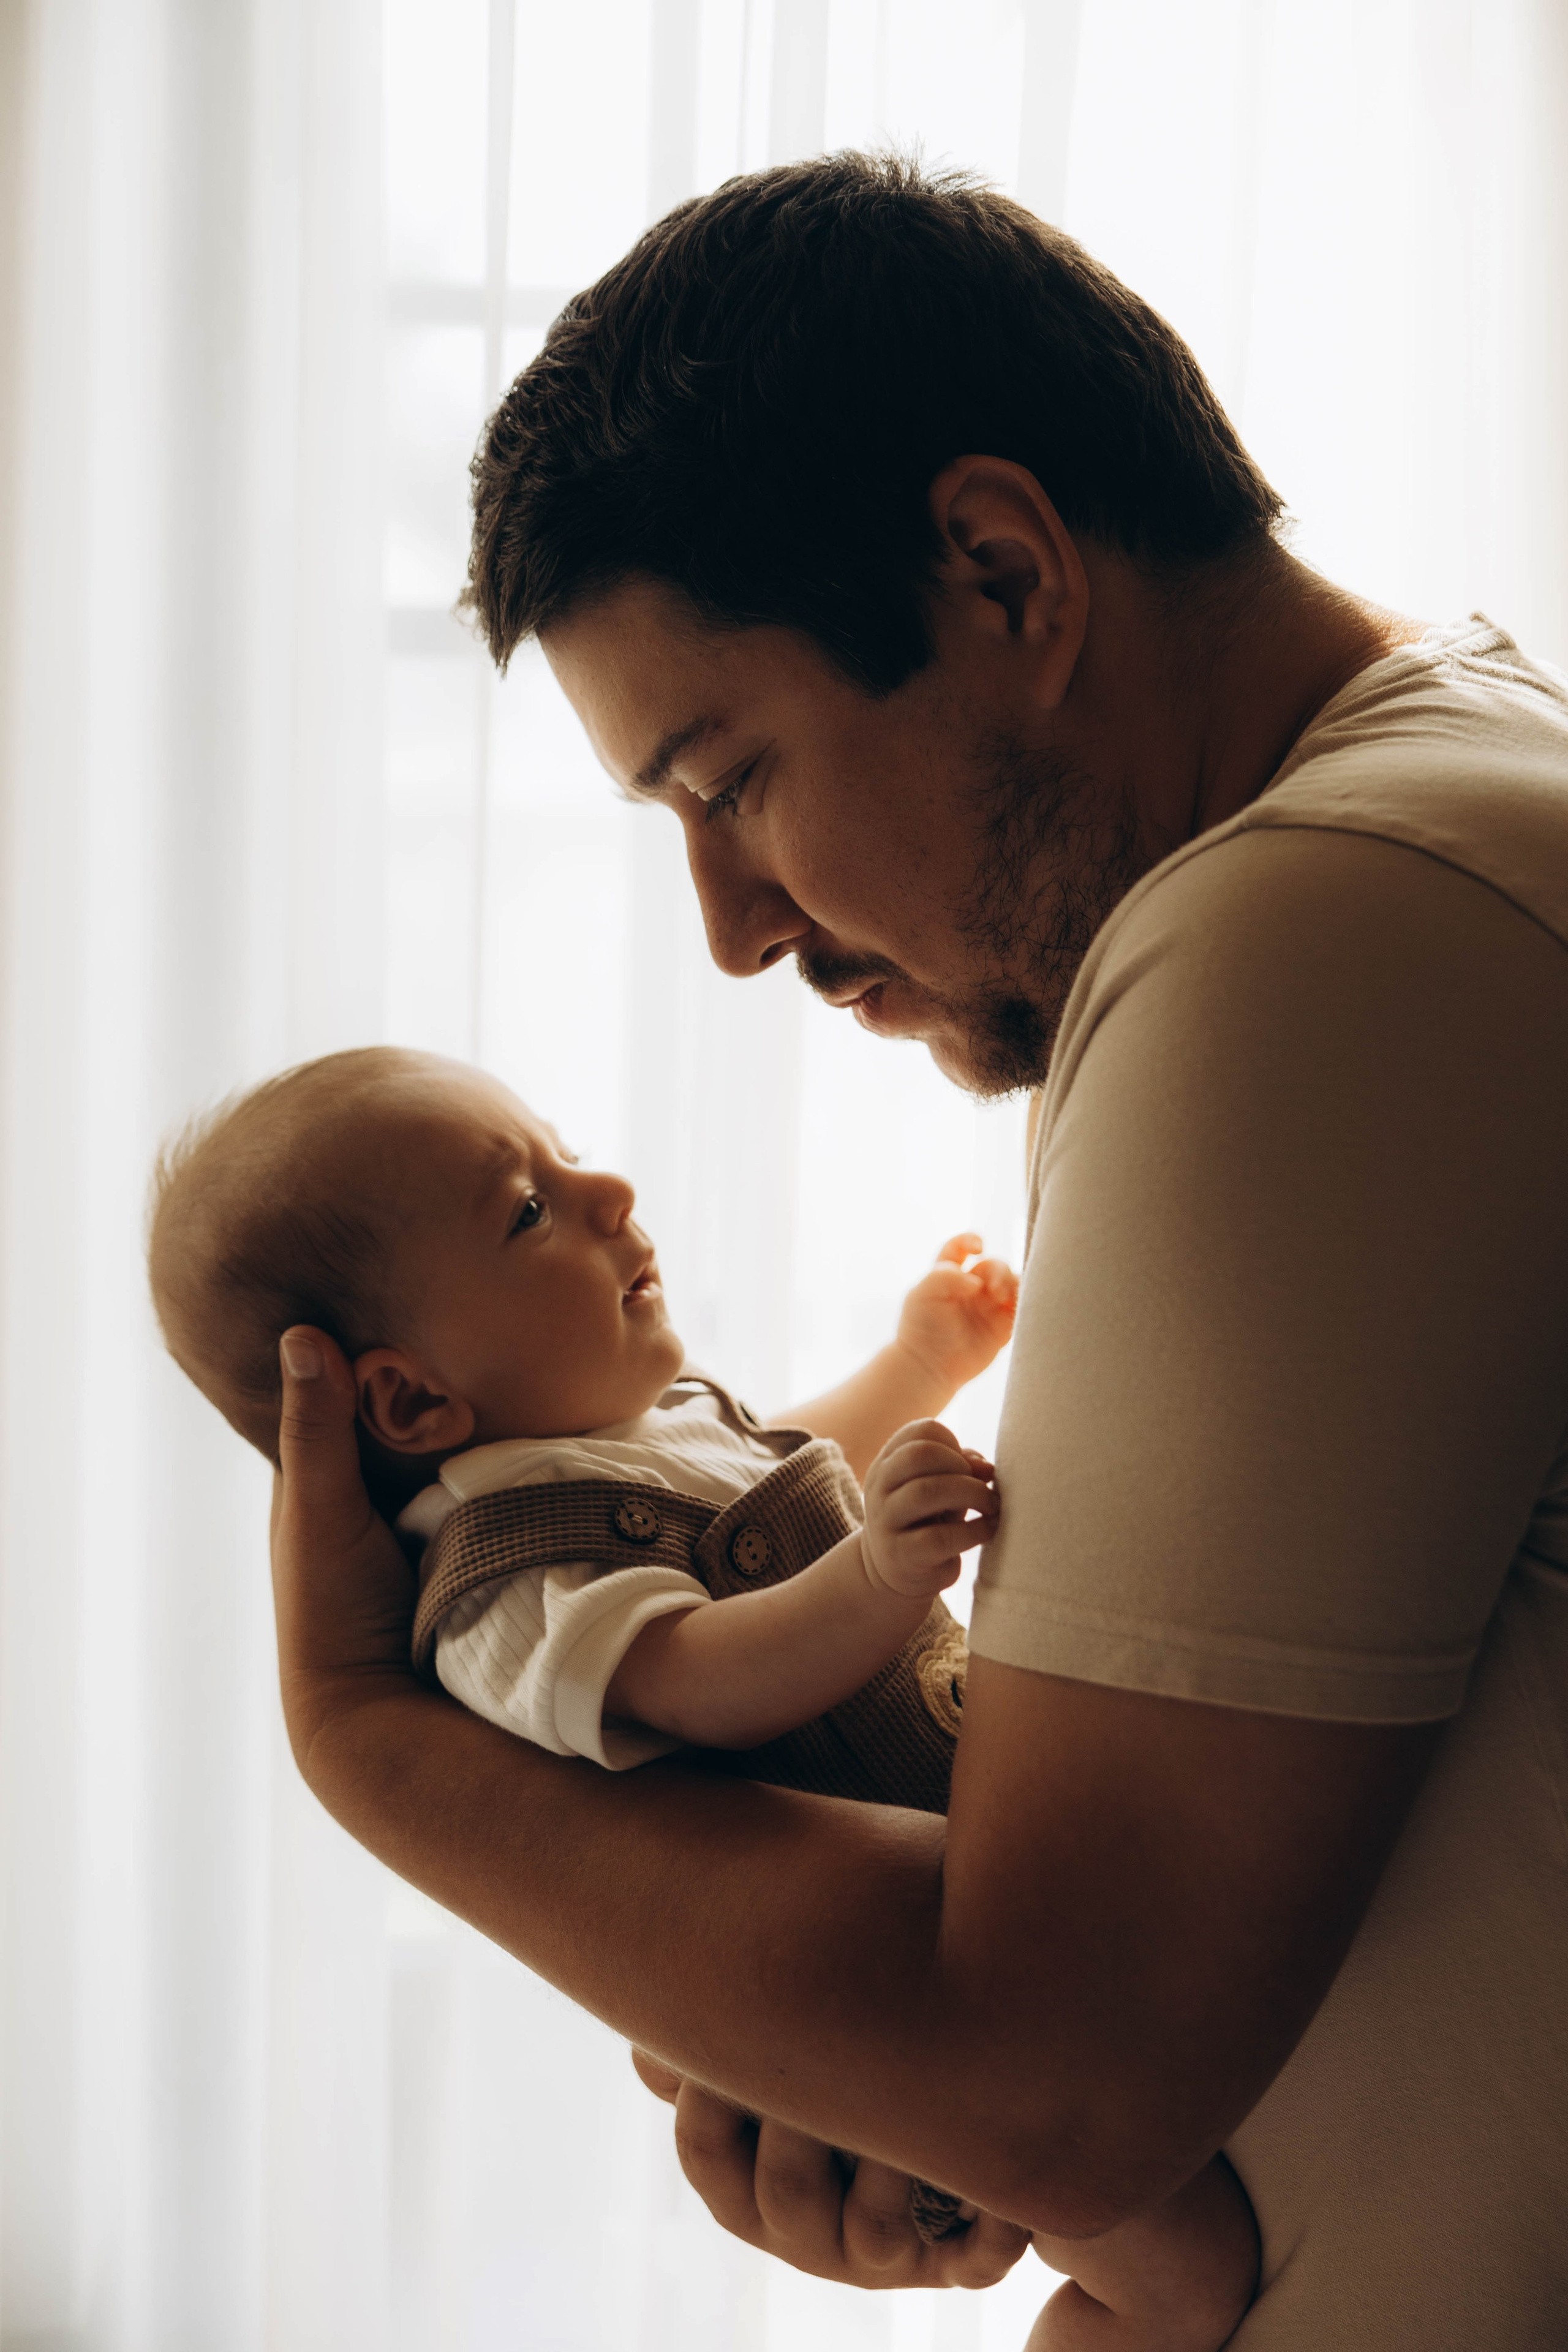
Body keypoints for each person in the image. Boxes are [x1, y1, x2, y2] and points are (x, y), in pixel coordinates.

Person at [269, 153, 1568, 2346]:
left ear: (1001, 571)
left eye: (732, 779)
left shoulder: (1322, 922)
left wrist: (367, 1737)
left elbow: (1055, 2067)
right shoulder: (1425, 814)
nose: (734, 927)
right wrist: (840, 2046)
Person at [149, 1044, 1258, 2349]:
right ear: (404, 1396)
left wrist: (917, 1363)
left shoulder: (643, 1433)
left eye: (563, 1153)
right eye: (525, 1210)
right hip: (920, 2044)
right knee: (1182, 2272)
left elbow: (784, 1478)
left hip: (1014, 1901)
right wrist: (876, 1578)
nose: (607, 1190)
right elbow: (696, 1678)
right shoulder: (496, 1581)